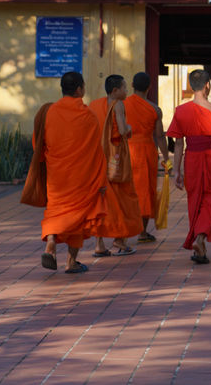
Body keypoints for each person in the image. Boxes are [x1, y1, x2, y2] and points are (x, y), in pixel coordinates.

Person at [23, 70, 107, 274]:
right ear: (79, 89)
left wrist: (46, 158)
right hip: (81, 177)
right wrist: (101, 179)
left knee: (56, 209)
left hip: (57, 174)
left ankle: (51, 242)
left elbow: (38, 142)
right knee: (78, 217)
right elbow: (96, 150)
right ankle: (71, 262)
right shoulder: (88, 115)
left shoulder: (49, 112)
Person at [166, 68, 211, 264]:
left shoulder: (180, 111)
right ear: (207, 85)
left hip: (192, 159)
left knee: (195, 200)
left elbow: (178, 143)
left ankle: (199, 248)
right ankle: (200, 237)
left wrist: (176, 170)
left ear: (190, 86)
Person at [89, 74, 143, 256]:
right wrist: (130, 129)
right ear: (115, 91)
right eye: (124, 88)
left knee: (102, 200)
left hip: (98, 159)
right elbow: (121, 130)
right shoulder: (118, 104)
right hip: (116, 161)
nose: (127, 91)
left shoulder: (94, 105)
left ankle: (99, 244)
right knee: (122, 199)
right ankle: (120, 241)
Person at [126, 71, 170, 243]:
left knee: (127, 189)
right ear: (150, 87)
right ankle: (142, 232)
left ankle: (125, 230)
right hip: (146, 151)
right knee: (145, 190)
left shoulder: (122, 106)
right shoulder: (154, 109)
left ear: (131, 86)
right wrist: (166, 157)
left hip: (127, 151)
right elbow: (159, 136)